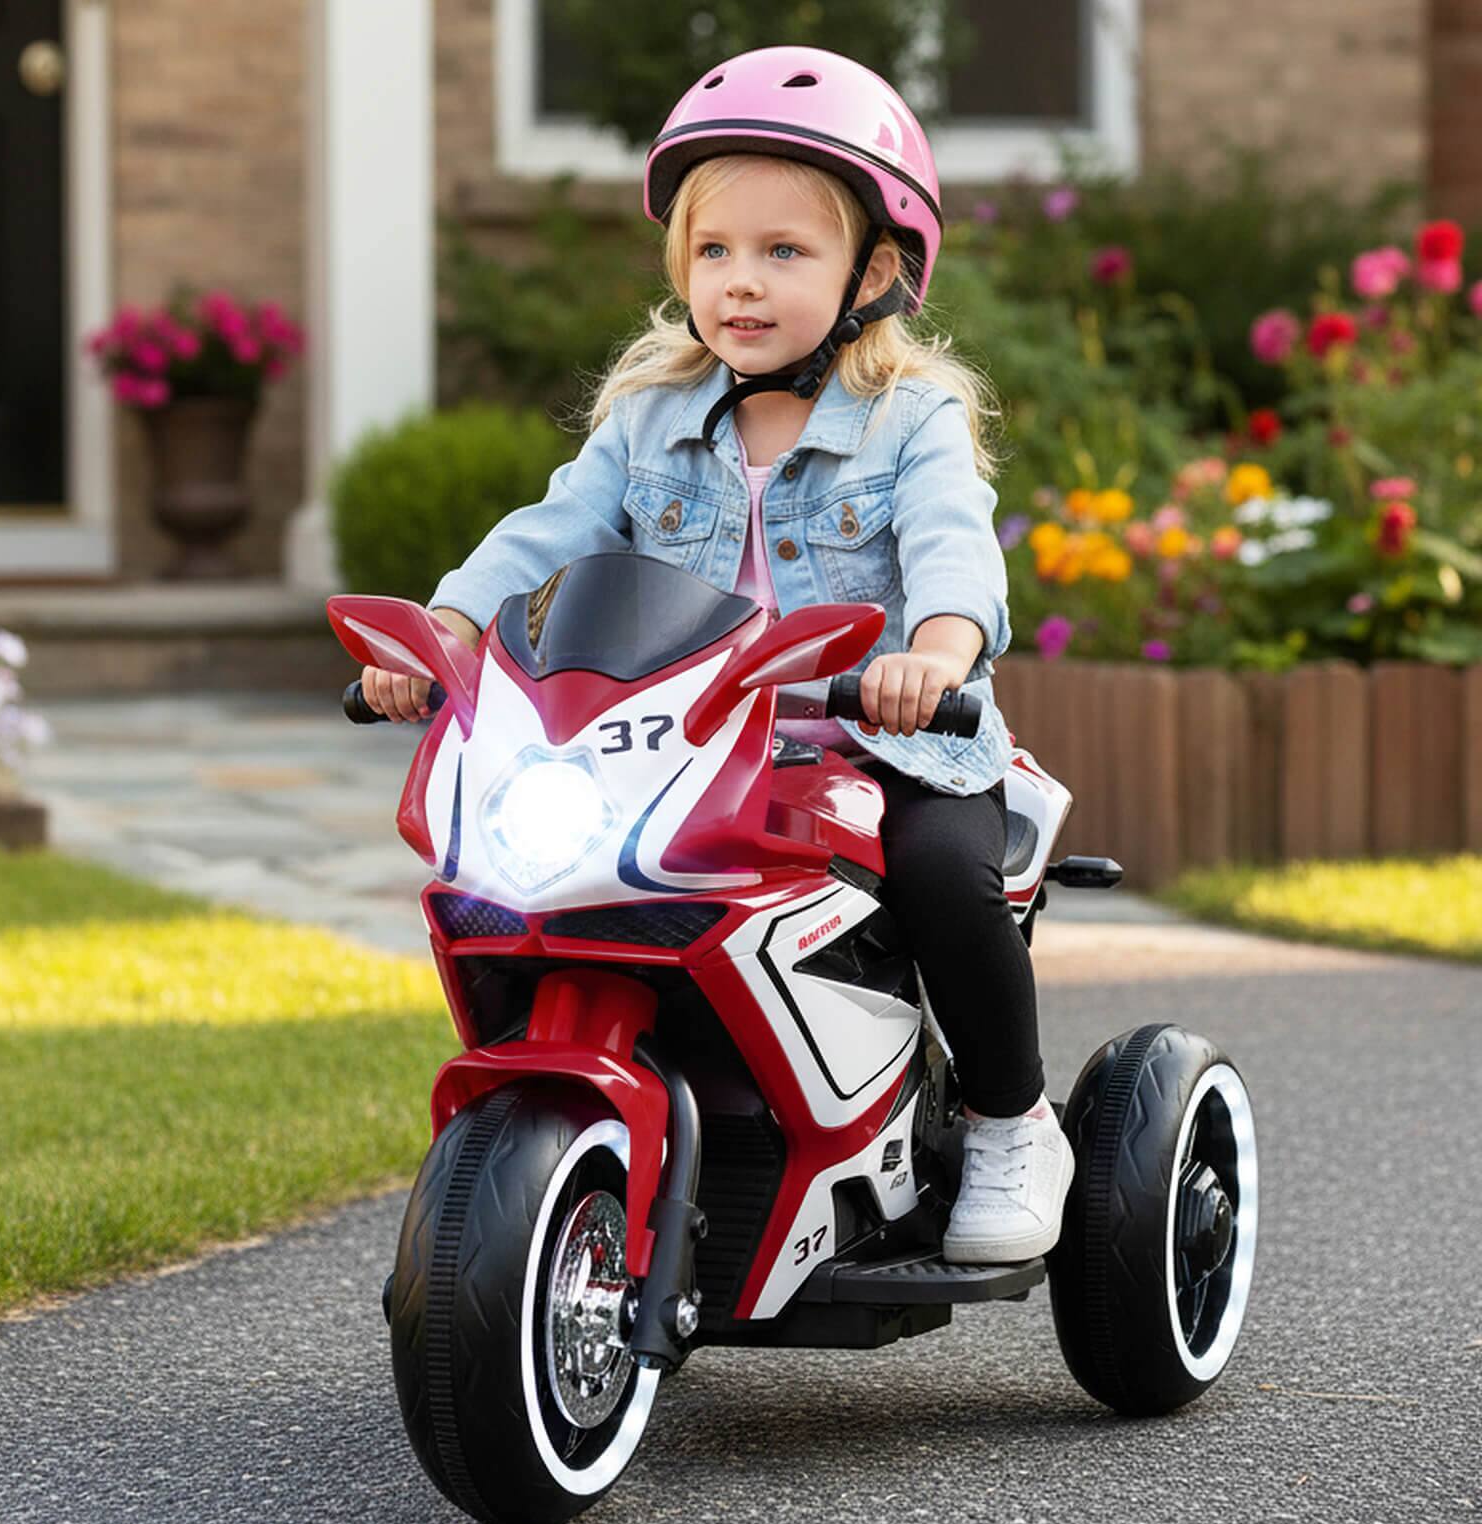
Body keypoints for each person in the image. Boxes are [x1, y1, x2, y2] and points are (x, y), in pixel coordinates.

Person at [361, 45, 1074, 1264]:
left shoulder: (911, 421)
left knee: (945, 878)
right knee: (557, 888)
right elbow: (549, 533)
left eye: (784, 253)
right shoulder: (648, 419)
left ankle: (1011, 1120)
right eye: (714, 252)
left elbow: (957, 556)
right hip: (687, 748)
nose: (741, 283)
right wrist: (449, 630)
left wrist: (937, 657)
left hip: (889, 740)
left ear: (877, 271)